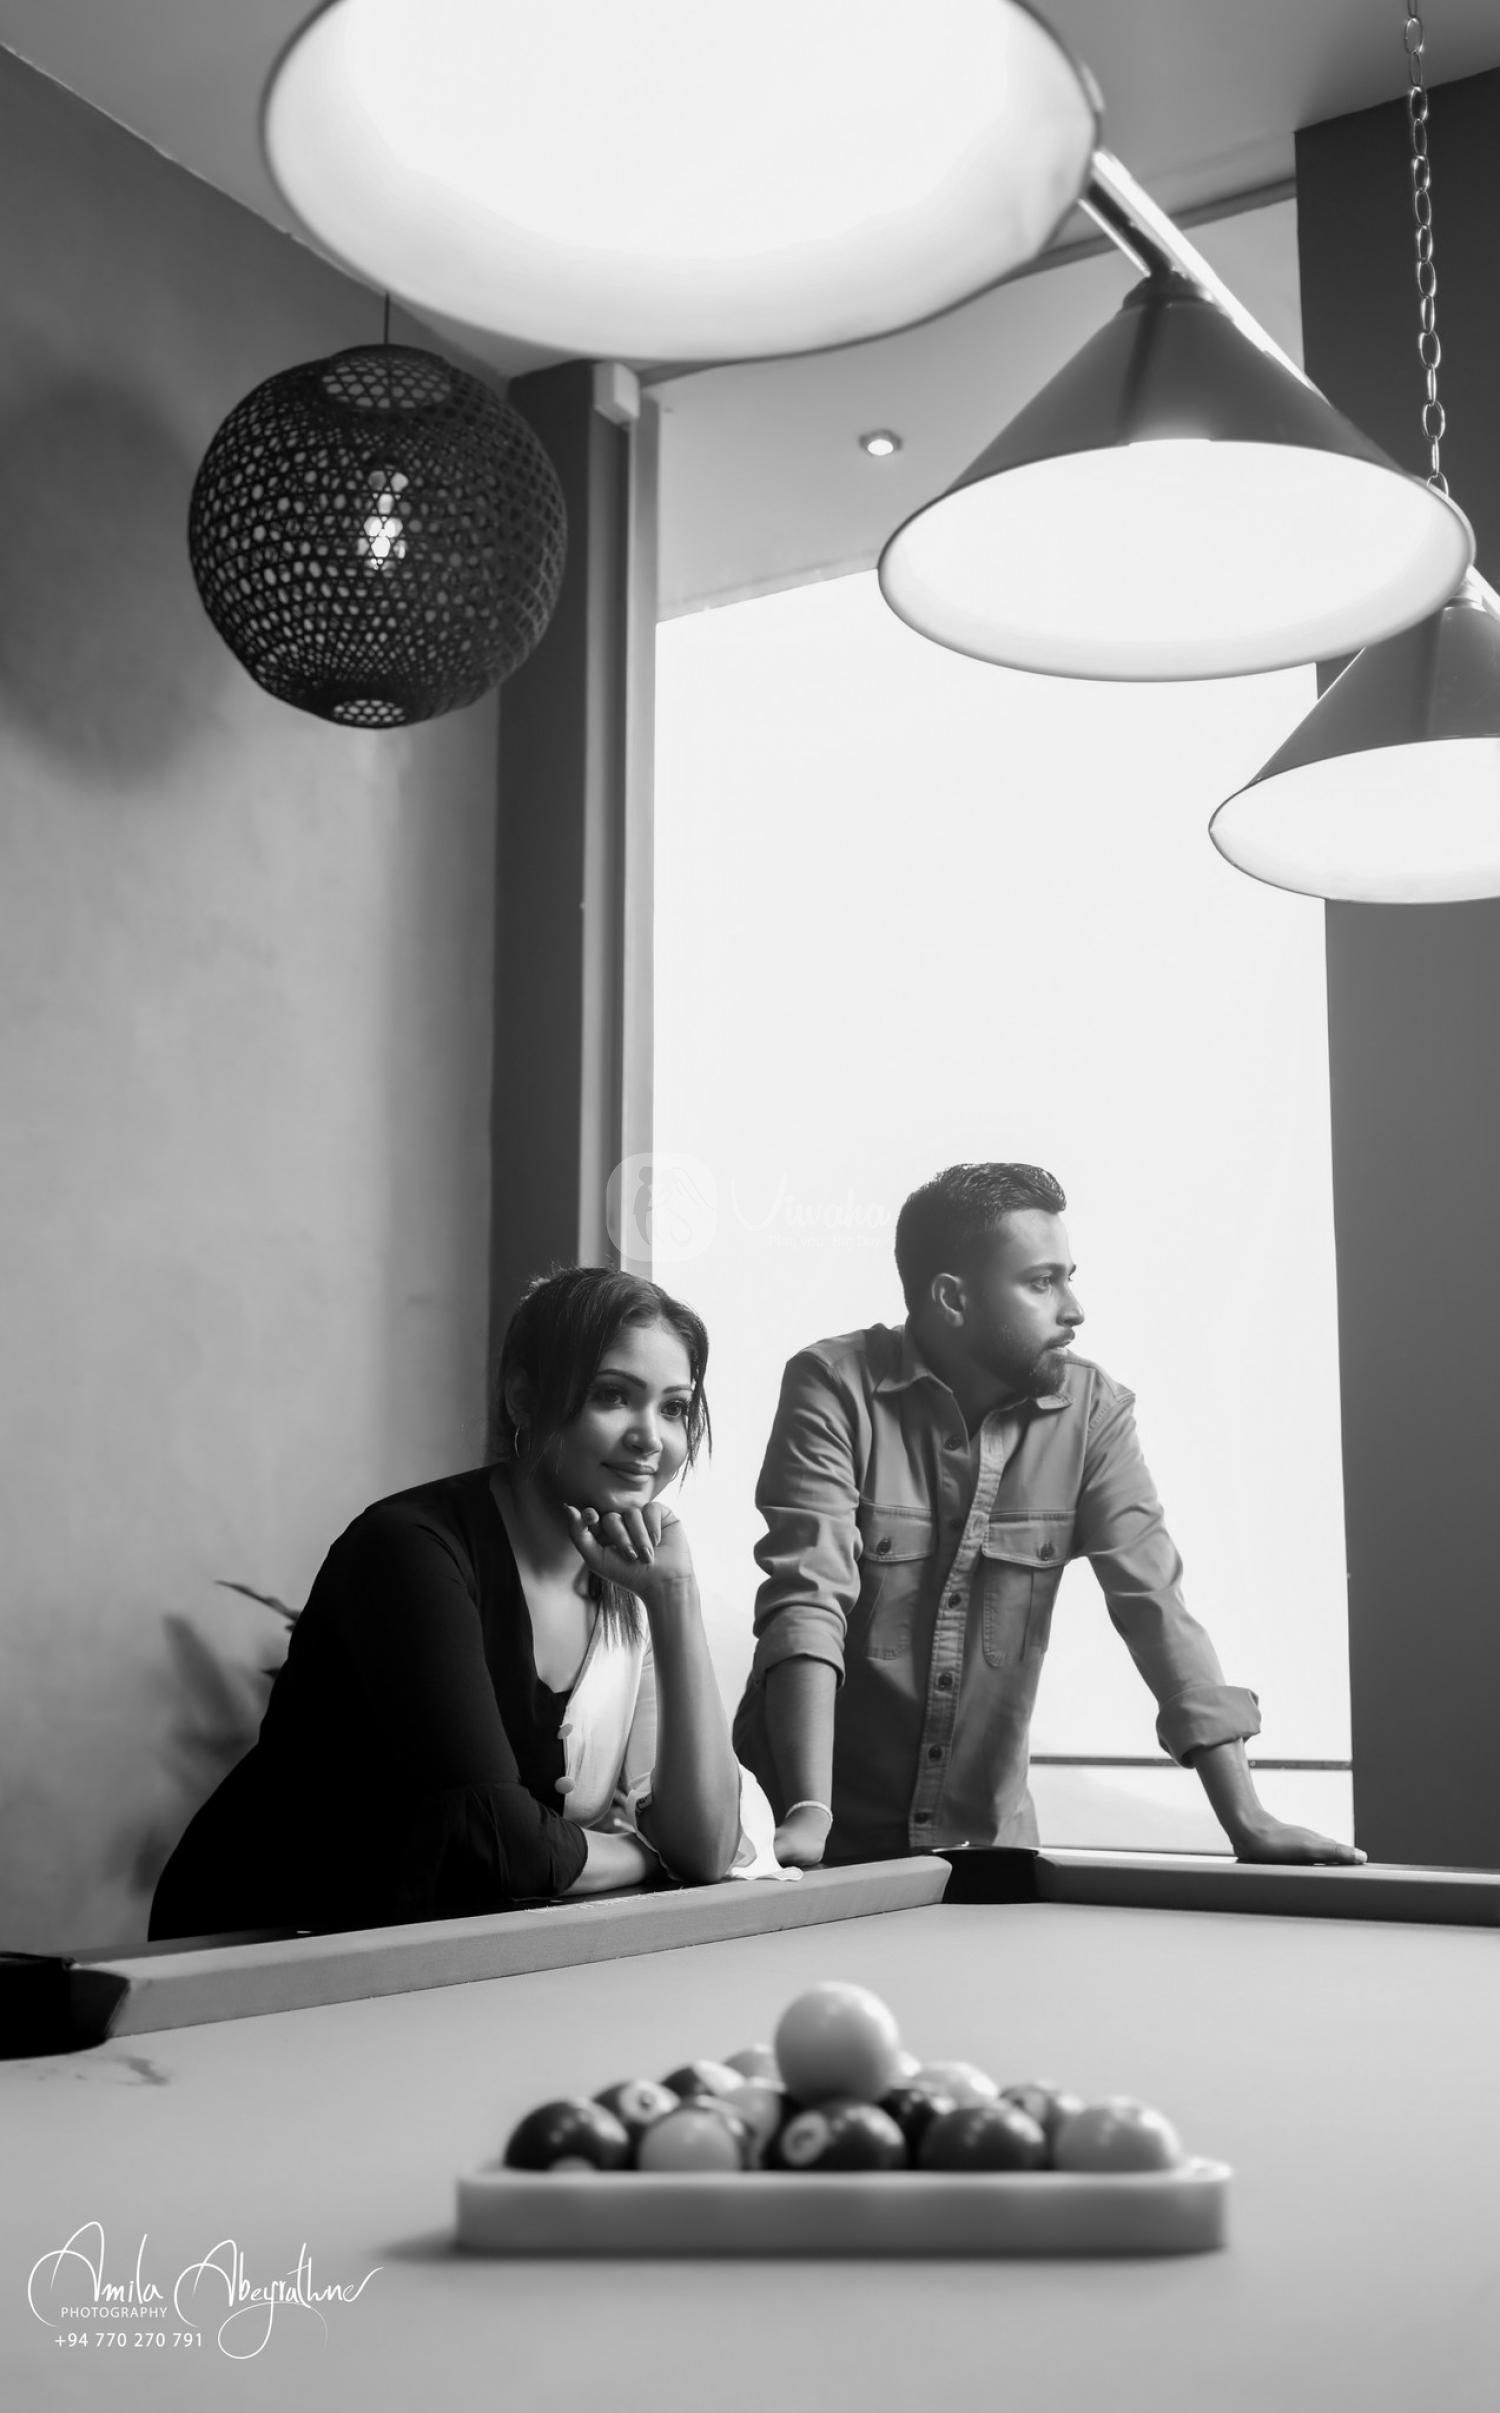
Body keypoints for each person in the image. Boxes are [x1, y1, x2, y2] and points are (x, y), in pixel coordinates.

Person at [733, 1162, 1365, 1873]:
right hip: (805, 1848)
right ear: (952, 1298)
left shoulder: (1094, 1412)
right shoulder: (834, 1385)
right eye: (1042, 1282)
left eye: (1069, 1277)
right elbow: (807, 1599)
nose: (1074, 1309)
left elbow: (1155, 1604)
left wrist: (1248, 1820)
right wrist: (808, 1813)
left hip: (982, 1846)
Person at [150, 1267, 763, 1941]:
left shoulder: (633, 1584)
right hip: (260, 1940)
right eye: (612, 1395)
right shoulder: (408, 1549)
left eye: (674, 1408)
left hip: (432, 1954)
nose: (650, 1436)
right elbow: (495, 1841)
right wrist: (647, 1854)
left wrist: (675, 1597)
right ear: (523, 1396)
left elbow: (706, 1847)